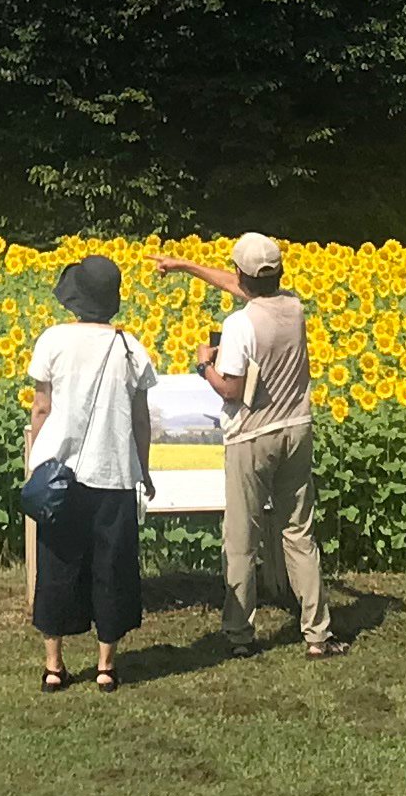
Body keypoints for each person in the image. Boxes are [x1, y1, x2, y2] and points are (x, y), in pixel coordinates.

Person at [155, 232, 341, 657]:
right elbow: (245, 287)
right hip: (297, 428)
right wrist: (186, 266)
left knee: (242, 537)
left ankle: (239, 635)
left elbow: (231, 390)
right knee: (298, 532)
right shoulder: (294, 308)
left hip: (253, 435)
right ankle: (318, 633)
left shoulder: (239, 325)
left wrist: (205, 364)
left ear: (241, 273)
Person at [23, 253, 155, 691]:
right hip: (114, 472)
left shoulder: (53, 340)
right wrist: (145, 470)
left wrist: (35, 461)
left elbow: (42, 407)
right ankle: (105, 667)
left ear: (75, 299)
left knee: (57, 565)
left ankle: (54, 666)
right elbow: (140, 420)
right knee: (111, 568)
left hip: (62, 473)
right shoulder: (130, 347)